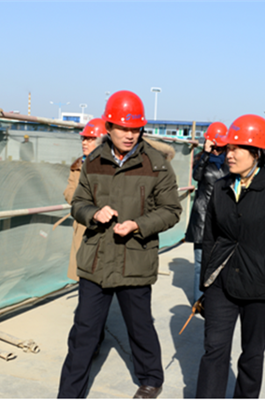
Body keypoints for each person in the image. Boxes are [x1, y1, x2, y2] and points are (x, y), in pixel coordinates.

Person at [58, 90, 182, 399]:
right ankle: (69, 393)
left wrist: (138, 225)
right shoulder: (93, 161)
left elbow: (171, 210)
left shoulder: (156, 164)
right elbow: (78, 202)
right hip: (96, 259)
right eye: (123, 128)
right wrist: (93, 213)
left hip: (135, 259)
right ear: (109, 127)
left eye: (135, 128)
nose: (130, 135)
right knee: (84, 331)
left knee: (139, 326)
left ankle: (151, 378)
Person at [196, 114, 265, 398]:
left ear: (256, 152)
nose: (229, 154)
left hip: (261, 287)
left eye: (236, 148)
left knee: (252, 356)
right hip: (221, 285)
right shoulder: (221, 188)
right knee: (214, 350)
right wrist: (207, 283)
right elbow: (210, 237)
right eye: (227, 148)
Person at [185, 122, 230, 303]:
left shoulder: (231, 160)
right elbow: (196, 177)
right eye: (214, 145)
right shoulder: (202, 158)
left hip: (223, 214)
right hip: (203, 215)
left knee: (222, 261)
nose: (217, 149)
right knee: (200, 263)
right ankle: (199, 300)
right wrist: (205, 153)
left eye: (220, 146)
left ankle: (218, 299)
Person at [63, 118, 107, 281]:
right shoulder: (77, 166)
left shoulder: (110, 166)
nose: (84, 142)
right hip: (83, 224)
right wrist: (82, 202)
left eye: (90, 139)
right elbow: (69, 191)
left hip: (104, 226)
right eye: (84, 138)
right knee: (83, 274)